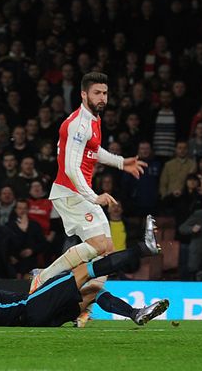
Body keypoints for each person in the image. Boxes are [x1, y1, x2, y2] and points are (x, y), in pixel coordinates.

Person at [29, 72, 147, 326]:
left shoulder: (93, 119)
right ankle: (44, 276)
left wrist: (120, 163)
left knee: (108, 251)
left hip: (79, 192)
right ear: (83, 94)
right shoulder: (78, 125)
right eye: (97, 93)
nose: (102, 97)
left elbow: (94, 152)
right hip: (71, 192)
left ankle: (84, 308)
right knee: (98, 246)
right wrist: (94, 196)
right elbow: (71, 168)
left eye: (105, 93)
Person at [0, 224, 166, 327]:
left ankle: (136, 314)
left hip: (37, 319)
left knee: (92, 292)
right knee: (83, 271)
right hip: (32, 306)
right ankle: (144, 248)